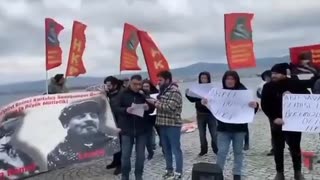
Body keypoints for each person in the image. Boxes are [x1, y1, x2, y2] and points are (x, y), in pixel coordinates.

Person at [261, 63, 317, 180]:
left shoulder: (295, 84)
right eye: (272, 73)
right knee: (278, 148)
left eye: (276, 73)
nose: (274, 76)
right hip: (277, 122)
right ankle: (279, 173)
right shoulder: (268, 87)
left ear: (284, 74)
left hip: (294, 122)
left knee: (295, 148)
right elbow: (265, 105)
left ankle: (297, 172)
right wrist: (274, 118)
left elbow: (307, 98)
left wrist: (294, 96)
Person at [202, 70, 258, 180]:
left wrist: (255, 105)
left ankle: (237, 174)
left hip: (239, 129)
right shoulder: (219, 92)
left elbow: (250, 111)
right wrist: (206, 102)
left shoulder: (243, 92)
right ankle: (218, 173)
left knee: (238, 152)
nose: (230, 81)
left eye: (232, 79)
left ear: (236, 80)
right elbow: (213, 107)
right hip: (223, 129)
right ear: (224, 80)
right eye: (228, 78)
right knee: (222, 152)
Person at [47, 98, 117, 170]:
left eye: (93, 115)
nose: (89, 119)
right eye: (81, 116)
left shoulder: (112, 143)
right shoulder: (57, 154)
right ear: (66, 124)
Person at [113, 74, 154, 180]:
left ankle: (138, 176)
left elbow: (152, 108)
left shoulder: (143, 94)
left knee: (140, 157)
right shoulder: (122, 94)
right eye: (135, 84)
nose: (137, 87)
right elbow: (115, 108)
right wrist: (125, 110)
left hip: (142, 130)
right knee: (126, 156)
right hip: (126, 130)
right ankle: (125, 176)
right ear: (130, 83)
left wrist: (148, 107)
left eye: (139, 84)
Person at [146, 70, 183, 180]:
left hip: (173, 125)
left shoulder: (174, 91)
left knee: (176, 149)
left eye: (160, 80)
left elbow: (170, 108)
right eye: (158, 80)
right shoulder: (163, 91)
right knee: (166, 149)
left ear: (167, 80)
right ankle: (169, 170)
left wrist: (155, 103)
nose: (158, 82)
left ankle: (178, 172)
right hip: (162, 124)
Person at [185, 71, 218, 156]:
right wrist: (187, 94)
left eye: (205, 78)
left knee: (214, 133)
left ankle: (216, 149)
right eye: (202, 78)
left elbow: (217, 100)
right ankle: (203, 150)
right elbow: (192, 99)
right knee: (202, 134)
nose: (203, 80)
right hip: (200, 114)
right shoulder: (197, 88)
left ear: (208, 79)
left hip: (211, 114)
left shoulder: (213, 88)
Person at [104, 76, 123, 175]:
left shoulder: (121, 94)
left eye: (109, 85)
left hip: (121, 124)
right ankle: (115, 161)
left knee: (121, 145)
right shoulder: (110, 94)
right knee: (115, 143)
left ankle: (121, 165)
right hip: (113, 123)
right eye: (106, 85)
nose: (107, 87)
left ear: (115, 85)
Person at [141, 79, 159, 160]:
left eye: (147, 86)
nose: (145, 88)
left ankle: (165, 150)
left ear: (150, 86)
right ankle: (150, 152)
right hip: (146, 118)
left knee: (161, 134)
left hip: (156, 116)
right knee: (148, 137)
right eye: (144, 86)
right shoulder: (139, 95)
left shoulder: (155, 93)